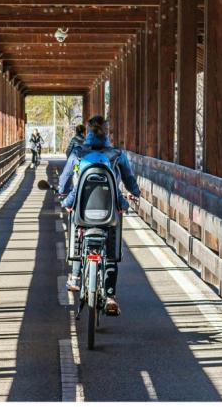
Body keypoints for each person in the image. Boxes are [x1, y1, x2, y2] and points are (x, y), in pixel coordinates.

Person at [57, 115, 140, 316]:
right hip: (110, 210)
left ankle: (76, 277)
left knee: (77, 228)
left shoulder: (78, 152)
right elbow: (128, 178)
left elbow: (66, 178)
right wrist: (135, 193)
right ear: (106, 133)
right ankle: (110, 295)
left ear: (87, 132)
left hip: (83, 210)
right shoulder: (116, 154)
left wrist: (63, 193)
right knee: (111, 247)